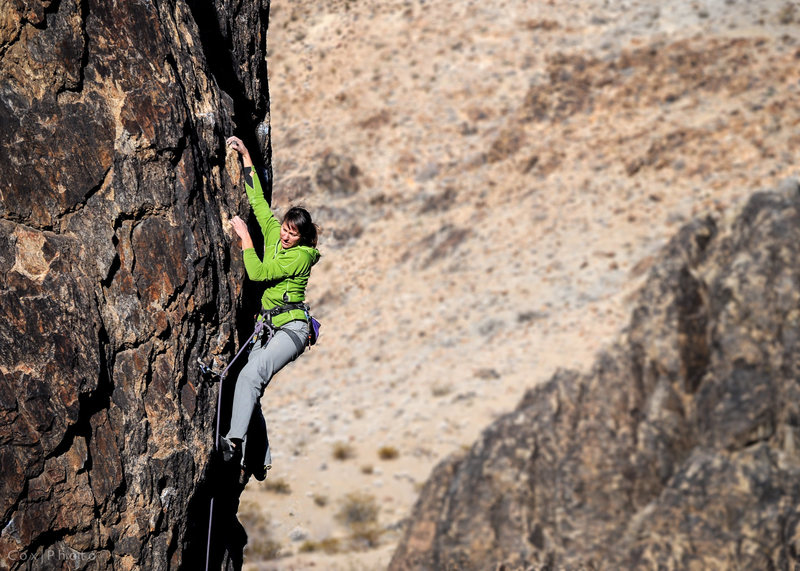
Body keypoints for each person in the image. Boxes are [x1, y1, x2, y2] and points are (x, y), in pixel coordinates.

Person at [221, 135, 320, 475]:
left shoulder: (302, 257)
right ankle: (260, 458)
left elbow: (259, 272)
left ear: (303, 239)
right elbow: (259, 201)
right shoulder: (277, 234)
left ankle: (233, 442)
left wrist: (245, 237)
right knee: (250, 387)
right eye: (286, 230)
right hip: (267, 327)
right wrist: (247, 156)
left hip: (292, 330)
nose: (285, 236)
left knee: (250, 375)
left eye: (293, 234)